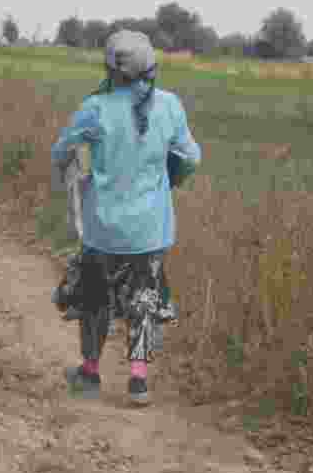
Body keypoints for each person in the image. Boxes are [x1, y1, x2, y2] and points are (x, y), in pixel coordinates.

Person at [50, 29, 201, 406]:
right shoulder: (170, 105)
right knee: (144, 300)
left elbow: (62, 150)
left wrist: (75, 179)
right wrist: (169, 181)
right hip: (149, 230)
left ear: (111, 70)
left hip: (102, 228)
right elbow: (191, 158)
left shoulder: (95, 107)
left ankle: (89, 373)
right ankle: (138, 380)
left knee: (94, 299)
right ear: (151, 68)